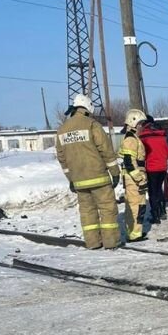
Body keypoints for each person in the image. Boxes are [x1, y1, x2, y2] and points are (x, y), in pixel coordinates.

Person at [55, 94, 121, 250]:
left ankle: (92, 243)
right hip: (99, 178)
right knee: (107, 209)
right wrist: (115, 172)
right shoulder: (92, 125)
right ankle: (111, 242)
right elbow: (106, 150)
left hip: (79, 181)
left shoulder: (62, 129)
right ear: (87, 107)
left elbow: (62, 158)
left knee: (87, 212)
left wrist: (70, 178)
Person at [118, 109, 149, 242]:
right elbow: (129, 162)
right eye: (141, 124)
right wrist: (139, 179)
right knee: (136, 206)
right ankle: (134, 234)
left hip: (134, 179)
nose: (142, 127)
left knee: (136, 206)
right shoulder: (130, 139)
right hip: (133, 180)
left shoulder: (133, 138)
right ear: (134, 123)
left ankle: (134, 232)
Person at [139, 115, 168, 224]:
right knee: (159, 188)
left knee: (152, 191)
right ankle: (162, 211)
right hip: (163, 167)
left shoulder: (143, 138)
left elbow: (141, 153)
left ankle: (155, 215)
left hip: (151, 168)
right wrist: (162, 158)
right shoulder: (163, 136)